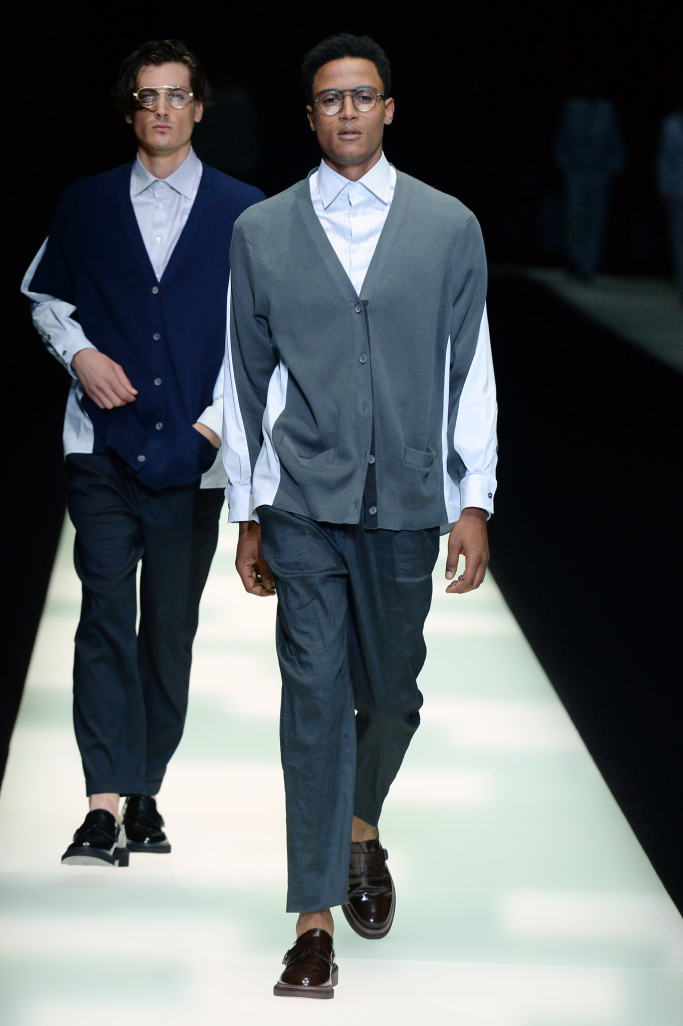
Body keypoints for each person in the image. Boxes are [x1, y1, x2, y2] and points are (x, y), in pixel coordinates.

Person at [222, 33, 497, 998]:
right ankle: (312, 923)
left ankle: (359, 826)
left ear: (388, 108)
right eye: (330, 98)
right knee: (311, 703)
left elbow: (471, 370)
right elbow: (243, 379)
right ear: (309, 116)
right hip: (301, 502)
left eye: (362, 95)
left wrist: (473, 497)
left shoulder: (448, 226)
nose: (346, 110)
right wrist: (247, 512)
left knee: (390, 699)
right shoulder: (261, 232)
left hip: (408, 504)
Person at [21, 39, 264, 867]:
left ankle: (145, 790)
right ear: (130, 109)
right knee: (103, 615)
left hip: (193, 456)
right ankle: (101, 805)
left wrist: (215, 427)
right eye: (147, 96)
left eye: (176, 95)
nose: (161, 109)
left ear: (199, 107)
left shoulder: (244, 211)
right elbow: (44, 295)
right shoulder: (86, 202)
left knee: (167, 627)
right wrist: (81, 356)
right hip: (100, 446)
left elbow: (259, 336)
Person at [555, 74, 624, 280]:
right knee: (576, 217)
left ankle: (588, 265)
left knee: (595, 220)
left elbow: (614, 140)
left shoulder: (606, 109)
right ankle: (574, 260)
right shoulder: (573, 107)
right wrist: (565, 166)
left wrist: (611, 169)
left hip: (598, 174)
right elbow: (563, 138)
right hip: (576, 173)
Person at [657, 94, 683, 300]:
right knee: (679, 241)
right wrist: (664, 188)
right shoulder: (670, 125)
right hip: (676, 191)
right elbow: (664, 158)